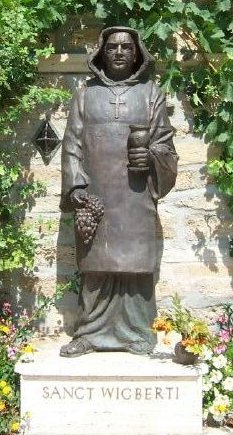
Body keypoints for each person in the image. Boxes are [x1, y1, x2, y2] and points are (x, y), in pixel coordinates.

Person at [59, 26, 178, 357]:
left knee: (135, 266)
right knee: (96, 265)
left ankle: (138, 331)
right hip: (97, 196)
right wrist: (77, 185)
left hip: (136, 195)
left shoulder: (151, 92)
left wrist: (151, 156)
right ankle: (89, 332)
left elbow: (164, 143)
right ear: (102, 52)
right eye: (113, 47)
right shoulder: (84, 94)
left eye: (127, 47)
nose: (120, 52)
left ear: (137, 53)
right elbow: (71, 145)